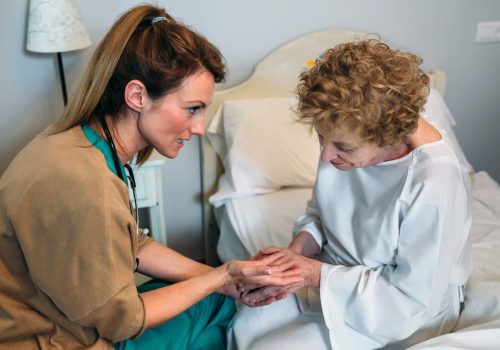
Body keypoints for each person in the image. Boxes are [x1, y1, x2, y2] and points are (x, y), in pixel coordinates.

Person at [0, 4, 304, 350]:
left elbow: (134, 246)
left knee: (215, 301)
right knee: (218, 310)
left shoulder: (79, 148)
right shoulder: (83, 183)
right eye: (192, 109)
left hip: (64, 318)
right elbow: (122, 321)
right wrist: (223, 275)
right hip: (59, 339)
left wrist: (220, 279)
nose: (200, 128)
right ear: (137, 96)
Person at [239, 39, 472, 349]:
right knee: (245, 322)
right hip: (332, 275)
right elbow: (322, 212)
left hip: (396, 309)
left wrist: (312, 274)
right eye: (321, 139)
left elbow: (410, 301)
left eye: (343, 147)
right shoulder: (342, 135)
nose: (326, 158)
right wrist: (296, 254)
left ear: (388, 135)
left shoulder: (435, 181)